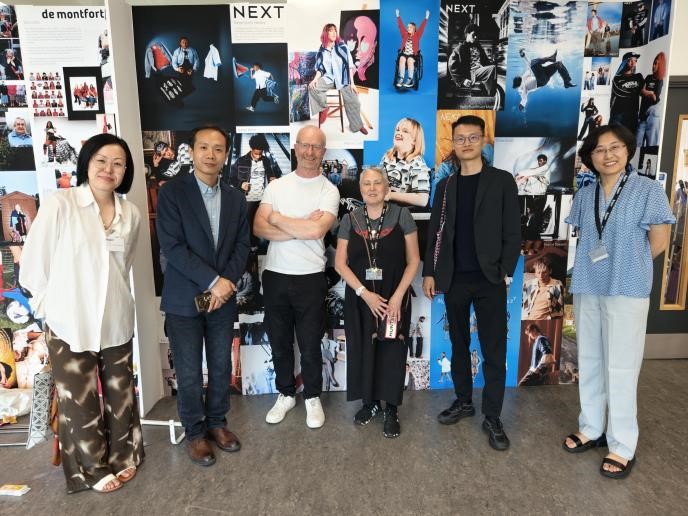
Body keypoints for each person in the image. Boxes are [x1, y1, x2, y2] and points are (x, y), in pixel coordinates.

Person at [19, 134, 143, 493]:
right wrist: (51, 308)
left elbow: (123, 264)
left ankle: (123, 455)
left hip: (115, 317)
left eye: (118, 163)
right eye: (101, 160)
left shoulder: (131, 214)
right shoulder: (62, 204)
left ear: (126, 171)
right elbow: (33, 265)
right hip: (68, 320)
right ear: (86, 162)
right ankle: (91, 469)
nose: (109, 169)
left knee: (121, 394)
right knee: (78, 400)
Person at [563, 124, 674, 479]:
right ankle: (591, 427)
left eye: (615, 147)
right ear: (590, 157)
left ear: (628, 150)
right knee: (590, 358)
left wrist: (629, 266)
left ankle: (622, 444)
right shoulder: (586, 193)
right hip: (589, 284)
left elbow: (659, 241)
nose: (607, 155)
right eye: (599, 149)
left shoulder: (648, 190)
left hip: (627, 287)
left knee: (622, 366)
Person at [422, 115, 520, 451]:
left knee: (494, 349)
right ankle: (463, 400)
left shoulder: (502, 181)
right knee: (459, 344)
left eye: (472, 137)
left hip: (490, 280)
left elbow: (513, 232)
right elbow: (435, 233)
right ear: (453, 143)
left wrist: (504, 271)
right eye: (460, 138)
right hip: (454, 279)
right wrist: (430, 272)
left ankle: (492, 416)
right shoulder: (445, 187)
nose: (466, 143)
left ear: (483, 140)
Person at [156, 126, 250, 467]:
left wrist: (226, 283)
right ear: (192, 152)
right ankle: (195, 432)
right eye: (204, 147)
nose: (211, 155)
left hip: (222, 300)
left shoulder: (236, 198)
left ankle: (216, 424)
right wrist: (214, 281)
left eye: (218, 149)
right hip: (184, 298)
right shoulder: (172, 193)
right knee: (189, 371)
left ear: (226, 154)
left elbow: (242, 246)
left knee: (222, 365)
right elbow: (172, 247)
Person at [254, 125, 340, 429]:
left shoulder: (329, 190)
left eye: (316, 147)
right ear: (296, 147)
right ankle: (286, 394)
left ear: (323, 152)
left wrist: (278, 219)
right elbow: (259, 227)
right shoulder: (277, 187)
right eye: (304, 145)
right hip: (275, 275)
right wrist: (300, 225)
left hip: (310, 277)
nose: (309, 152)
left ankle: (312, 397)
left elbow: (316, 231)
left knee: (310, 343)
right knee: (279, 341)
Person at [334, 166, 419, 438]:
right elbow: (340, 263)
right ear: (361, 190)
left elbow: (414, 260)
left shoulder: (402, 215)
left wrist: (397, 298)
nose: (372, 188)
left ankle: (391, 409)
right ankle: (369, 403)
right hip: (361, 298)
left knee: (392, 351)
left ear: (386, 188)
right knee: (362, 349)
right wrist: (364, 293)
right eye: (367, 184)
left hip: (394, 297)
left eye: (377, 183)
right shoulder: (350, 219)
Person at [309, 24, 368, 135]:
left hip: (343, 79)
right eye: (330, 30)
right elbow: (320, 68)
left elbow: (350, 65)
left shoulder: (342, 47)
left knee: (354, 101)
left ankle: (357, 126)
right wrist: (315, 79)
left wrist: (352, 83)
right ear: (326, 33)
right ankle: (324, 108)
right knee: (312, 88)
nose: (334, 33)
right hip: (329, 79)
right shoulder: (322, 50)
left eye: (335, 30)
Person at [228, 134, 281, 248]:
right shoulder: (241, 161)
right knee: (249, 223)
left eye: (260, 154)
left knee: (265, 222)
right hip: (248, 199)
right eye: (256, 153)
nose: (258, 156)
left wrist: (272, 179)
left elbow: (271, 175)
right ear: (251, 149)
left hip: (263, 199)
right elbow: (231, 178)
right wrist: (241, 184)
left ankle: (262, 244)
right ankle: (251, 246)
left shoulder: (266, 161)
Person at [379, 117, 431, 208]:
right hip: (385, 209)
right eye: (397, 130)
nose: (399, 133)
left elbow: (422, 200)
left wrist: (390, 195)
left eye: (405, 131)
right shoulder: (387, 157)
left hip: (405, 213)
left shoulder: (417, 163)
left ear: (414, 140)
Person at [448, 23, 496, 96]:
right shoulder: (460, 48)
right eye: (473, 35)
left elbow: (486, 62)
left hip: (479, 71)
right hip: (470, 73)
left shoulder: (478, 47)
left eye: (477, 35)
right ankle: (491, 96)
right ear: (467, 34)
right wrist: (462, 80)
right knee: (492, 68)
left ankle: (490, 93)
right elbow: (451, 66)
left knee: (493, 68)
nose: (476, 37)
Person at [636, 52, 666, 151]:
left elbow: (655, 98)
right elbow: (641, 91)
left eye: (656, 63)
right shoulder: (648, 77)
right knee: (637, 145)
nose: (653, 66)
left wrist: (646, 92)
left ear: (660, 65)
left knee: (650, 147)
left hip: (652, 117)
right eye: (653, 63)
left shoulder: (660, 80)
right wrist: (650, 93)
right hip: (642, 117)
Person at [610, 52, 644, 134]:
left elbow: (643, 90)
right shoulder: (617, 78)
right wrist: (635, 92)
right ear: (625, 62)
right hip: (618, 114)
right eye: (630, 60)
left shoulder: (638, 76)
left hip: (633, 115)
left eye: (635, 60)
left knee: (630, 139)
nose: (633, 63)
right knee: (615, 138)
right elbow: (618, 91)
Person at [521, 255, 564, 320]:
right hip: (525, 318)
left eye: (544, 272)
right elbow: (521, 304)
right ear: (535, 273)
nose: (541, 276)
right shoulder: (528, 284)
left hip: (543, 320)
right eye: (538, 272)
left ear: (550, 271)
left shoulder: (556, 285)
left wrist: (549, 318)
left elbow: (559, 311)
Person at [395, 9, 429, 88]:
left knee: (410, 60)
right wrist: (398, 16)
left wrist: (426, 18)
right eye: (408, 27)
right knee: (401, 59)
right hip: (405, 53)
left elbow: (422, 27)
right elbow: (401, 26)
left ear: (414, 29)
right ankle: (401, 78)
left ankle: (410, 79)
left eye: (410, 27)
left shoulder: (417, 35)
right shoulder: (405, 34)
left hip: (413, 55)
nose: (408, 28)